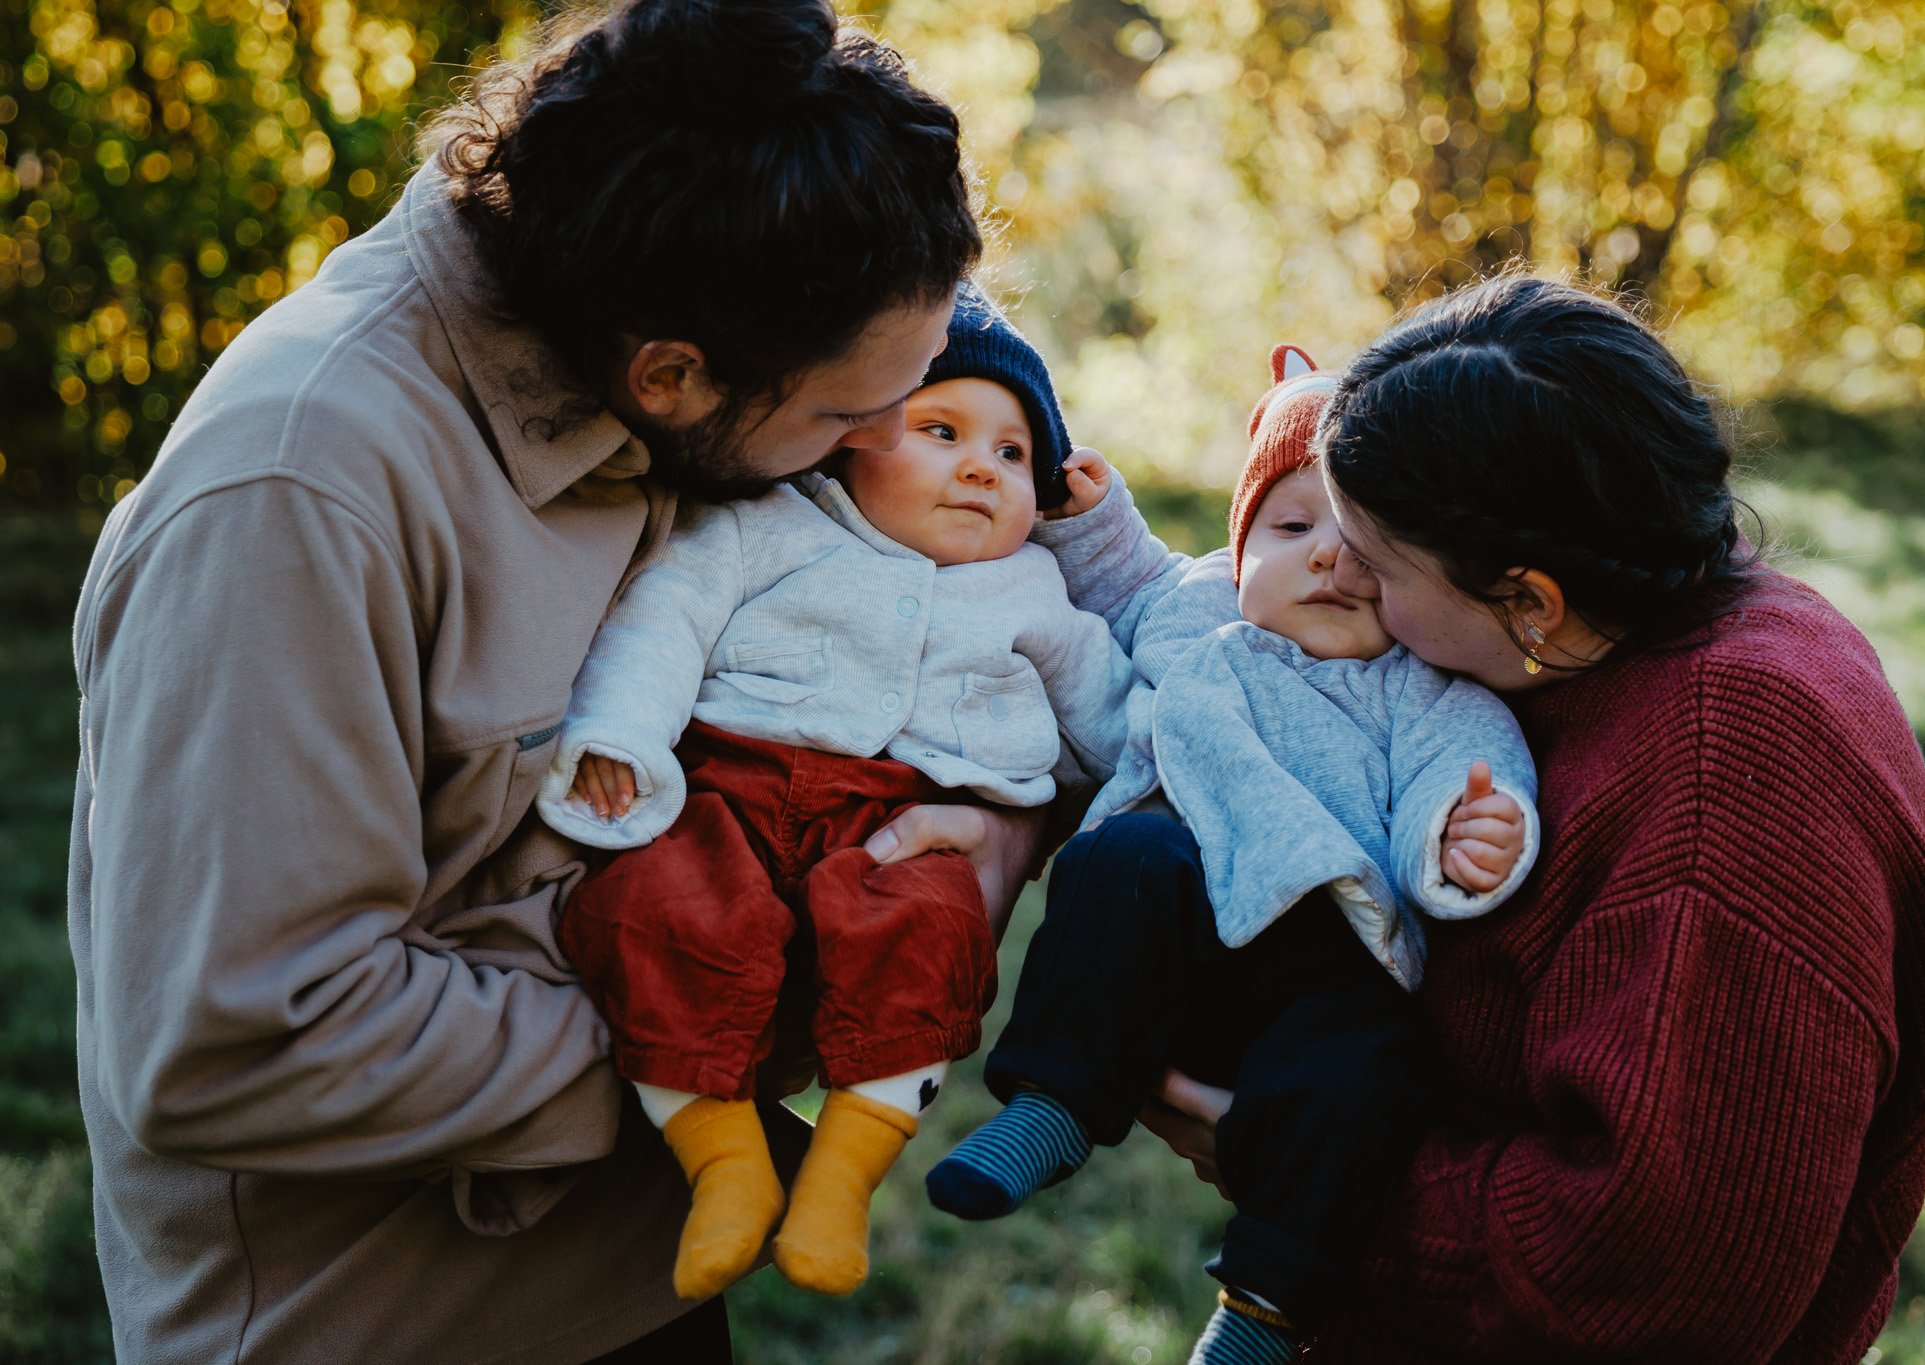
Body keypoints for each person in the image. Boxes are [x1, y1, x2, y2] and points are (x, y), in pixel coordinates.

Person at [65, 1, 1042, 1359]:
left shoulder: (755, 289)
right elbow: (244, 1039)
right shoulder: (296, 496)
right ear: (671, 379)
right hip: (401, 1325)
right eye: (839, 420)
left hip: (651, 1287)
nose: (883, 448)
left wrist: (996, 831)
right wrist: (759, 1013)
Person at [1131, 276, 1925, 1362]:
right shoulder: (1642, 612)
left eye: (1375, 568)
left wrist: (1298, 1161)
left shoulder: (1725, 787)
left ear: (1529, 602)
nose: (1345, 584)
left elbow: (1643, 1279)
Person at [927, 345, 1540, 1363]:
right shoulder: (1201, 614)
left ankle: (1262, 1307)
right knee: (1119, 860)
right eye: (1293, 528)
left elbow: (1464, 768)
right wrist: (1089, 515)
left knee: (1375, 1073)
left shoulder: (1422, 685)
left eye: (1366, 547)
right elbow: (1129, 580)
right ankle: (1053, 1105)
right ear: (1239, 549)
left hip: (1325, 965)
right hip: (1174, 932)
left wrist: (1468, 830)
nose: (1328, 561)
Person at [534, 285, 1132, 1302]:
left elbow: (1113, 727)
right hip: (727, 786)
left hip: (897, 819)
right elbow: (663, 620)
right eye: (940, 430)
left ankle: (838, 1180)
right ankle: (721, 1160)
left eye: (1012, 455)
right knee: (658, 909)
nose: (980, 467)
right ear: (851, 441)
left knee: (933, 932)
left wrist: (1142, 797)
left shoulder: (1035, 593)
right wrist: (623, 737)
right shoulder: (769, 526)